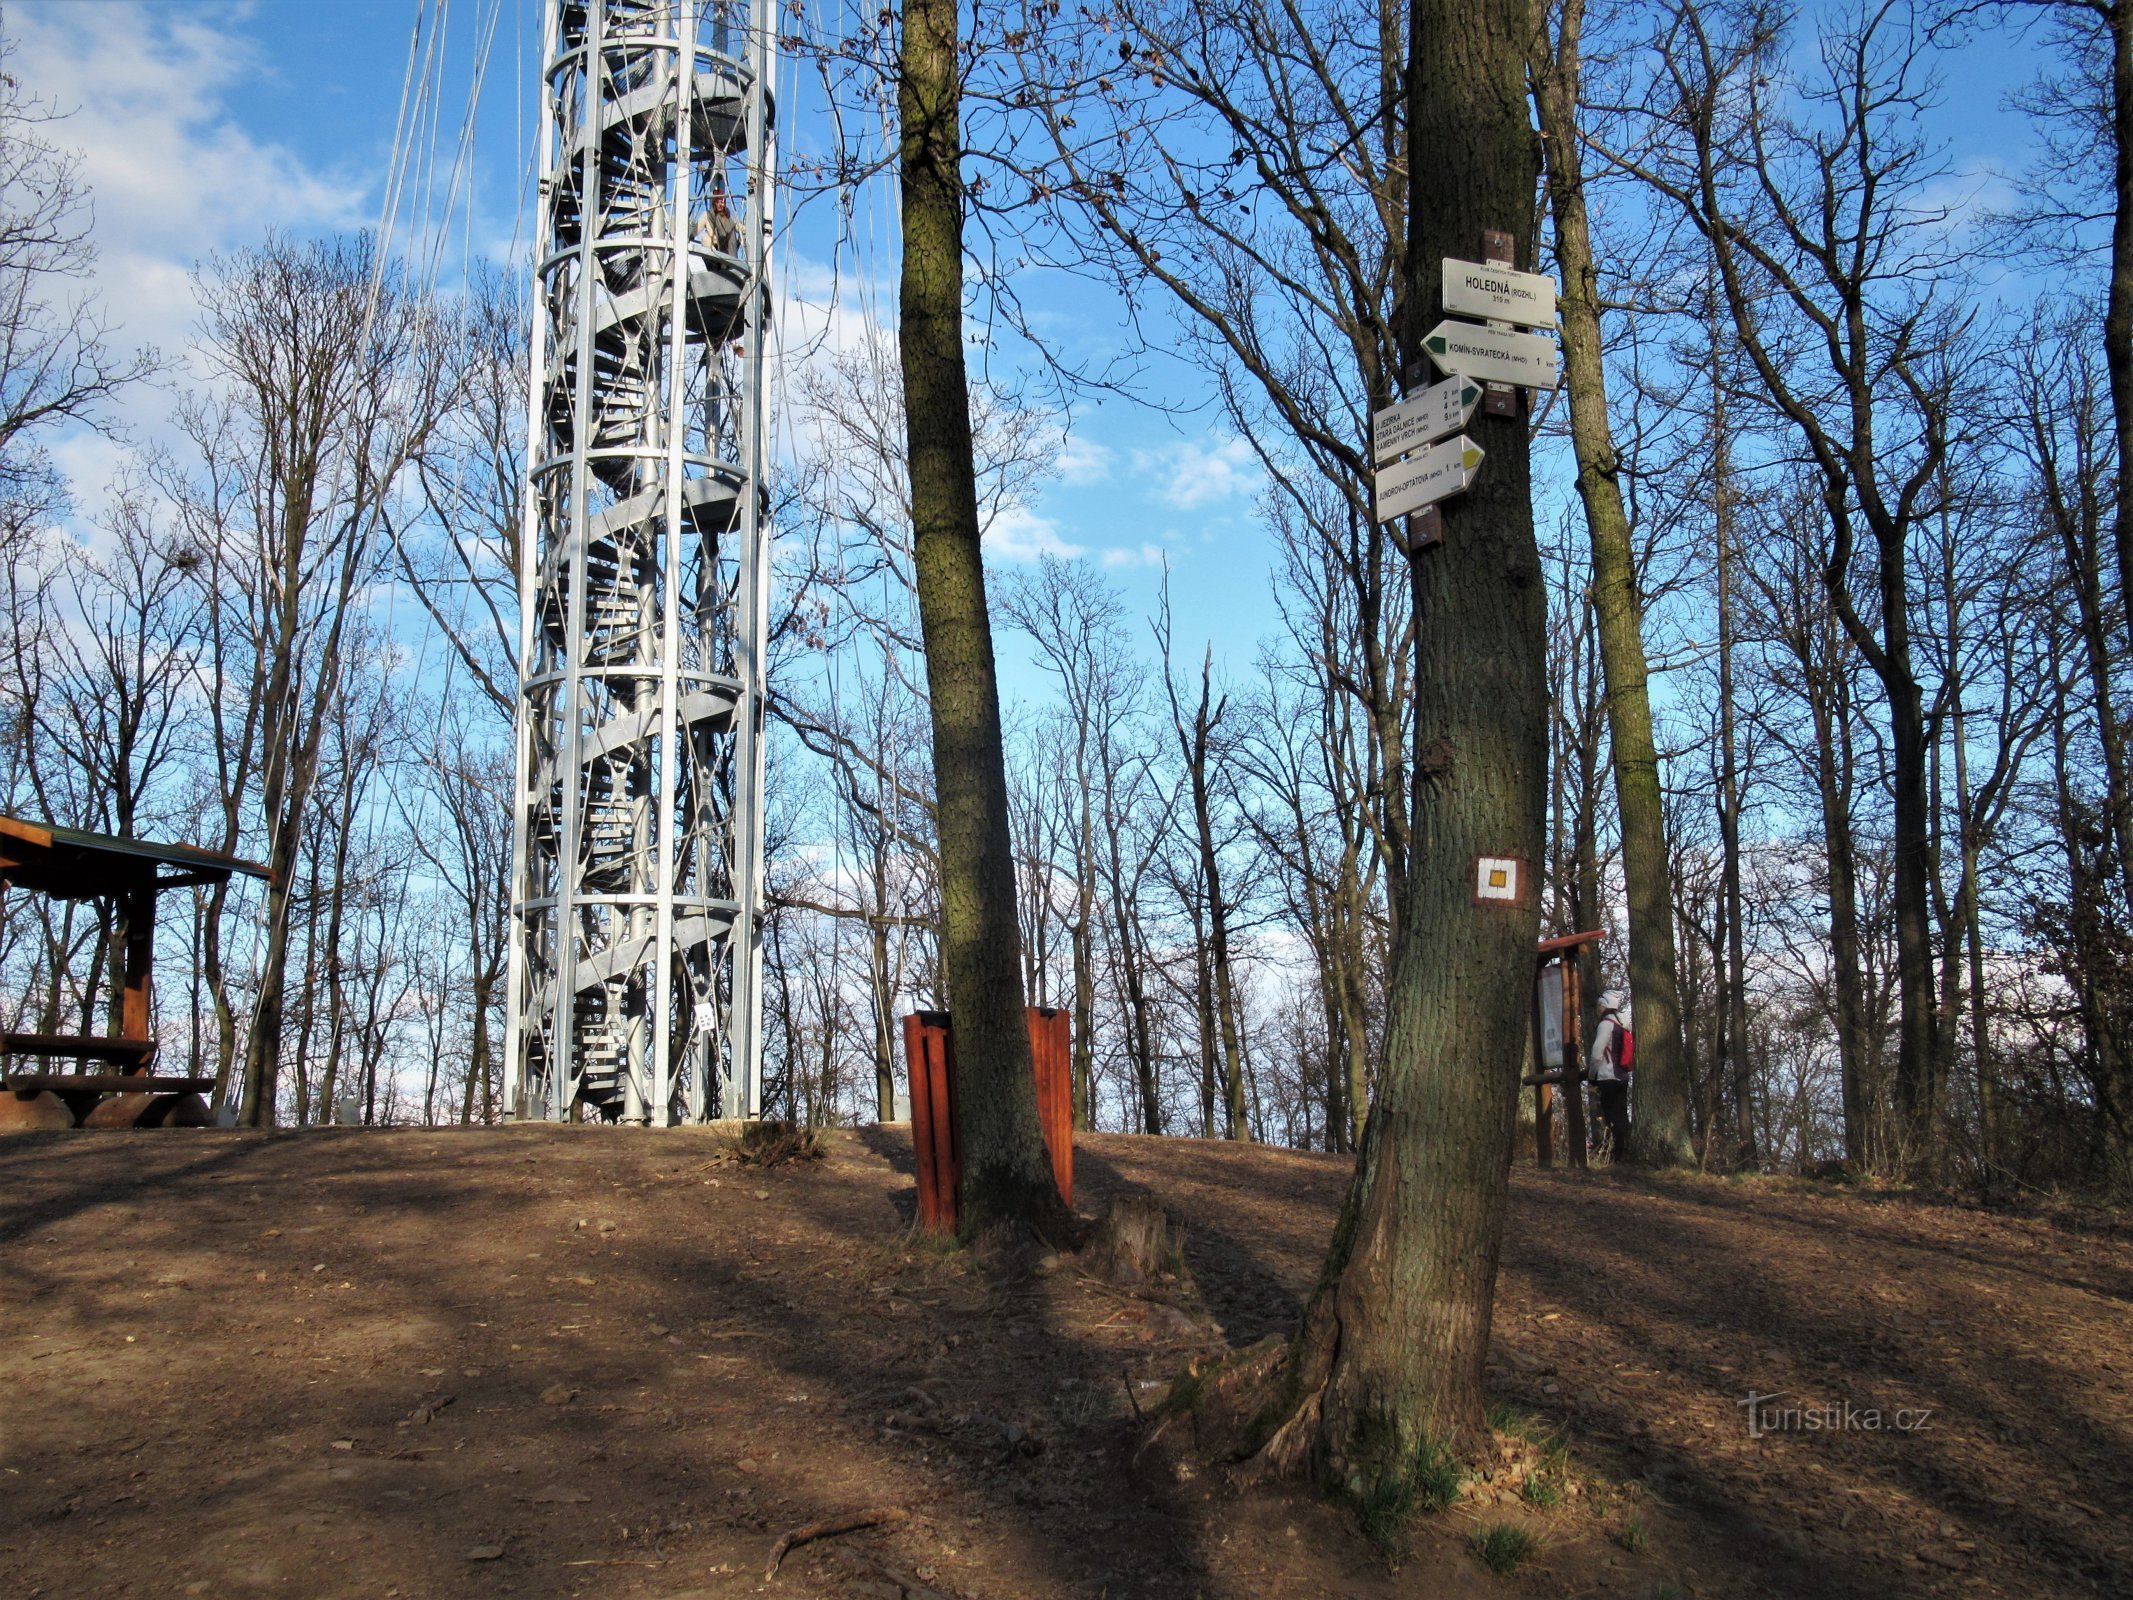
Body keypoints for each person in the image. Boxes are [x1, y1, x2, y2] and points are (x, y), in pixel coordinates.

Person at [1588, 990, 1633, 1162]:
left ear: (1605, 1005)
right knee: (1621, 1115)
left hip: (1608, 1076)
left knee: (1611, 1116)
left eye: (1600, 1005)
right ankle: (1624, 1151)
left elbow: (1597, 1053)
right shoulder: (1623, 1023)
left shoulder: (1606, 1024)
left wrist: (1592, 1075)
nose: (1599, 1009)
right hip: (1622, 1076)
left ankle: (1616, 1155)